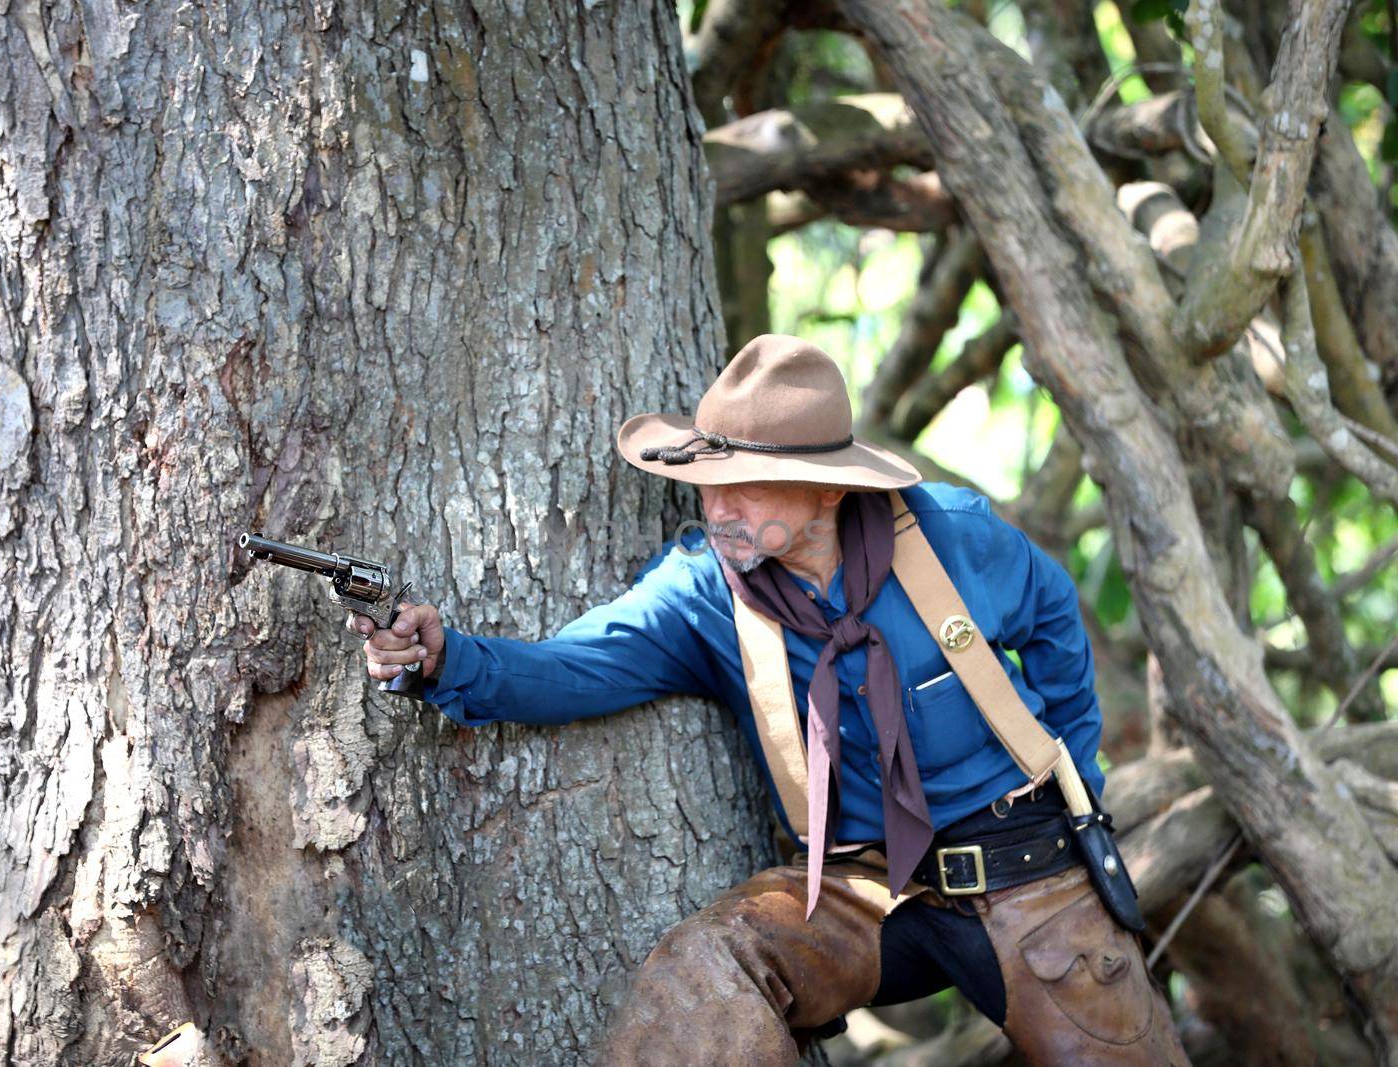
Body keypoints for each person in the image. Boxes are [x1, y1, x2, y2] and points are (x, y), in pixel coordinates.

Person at [350, 335, 1188, 1066]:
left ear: (827, 489)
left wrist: (1078, 778)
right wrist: (443, 655)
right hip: (863, 892)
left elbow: (1052, 613)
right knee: (706, 966)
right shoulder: (703, 593)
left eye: (746, 484)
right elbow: (577, 666)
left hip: (1033, 877)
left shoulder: (953, 537)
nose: (717, 506)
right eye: (710, 482)